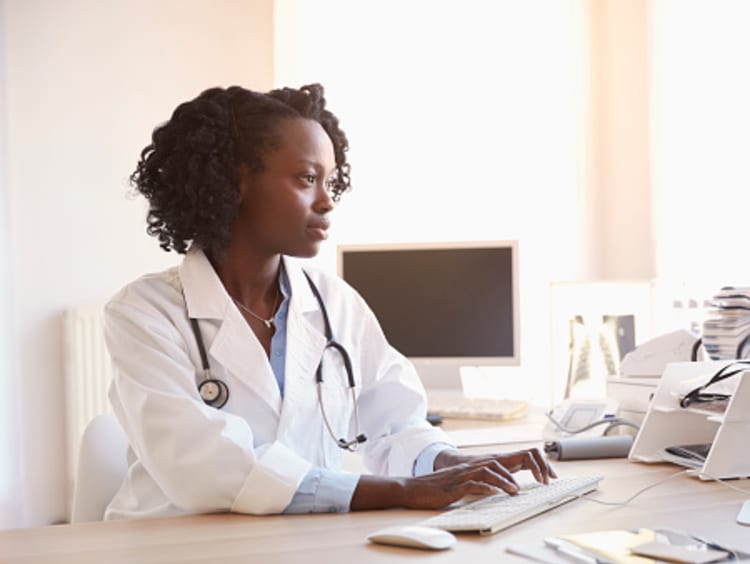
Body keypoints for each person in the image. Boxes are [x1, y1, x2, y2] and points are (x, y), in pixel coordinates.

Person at [103, 83, 556, 520]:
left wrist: (451, 465)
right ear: (236, 180)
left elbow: (395, 423)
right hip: (175, 545)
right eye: (307, 179)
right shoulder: (144, 312)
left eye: (330, 182)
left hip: (300, 543)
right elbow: (202, 467)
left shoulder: (334, 303)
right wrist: (402, 491)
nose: (327, 202)